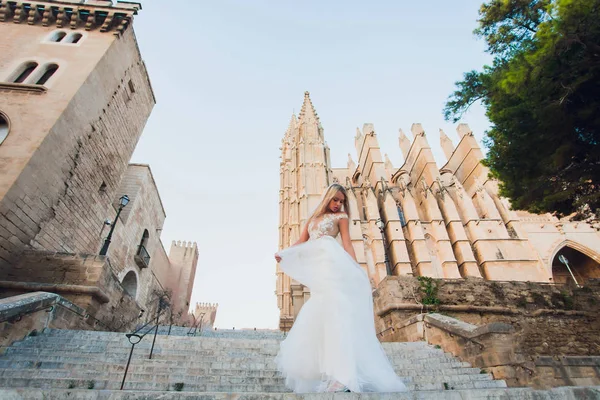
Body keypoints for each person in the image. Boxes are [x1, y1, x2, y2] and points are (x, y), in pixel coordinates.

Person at [274, 183, 408, 393]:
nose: (338, 204)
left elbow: (347, 244)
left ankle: (343, 376)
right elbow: (301, 241)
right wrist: (285, 253)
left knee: (337, 313)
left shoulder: (341, 218)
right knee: (323, 315)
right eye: (335, 200)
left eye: (341, 201)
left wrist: (355, 269)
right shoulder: (312, 219)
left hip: (333, 266)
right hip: (318, 271)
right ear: (327, 197)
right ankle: (332, 373)